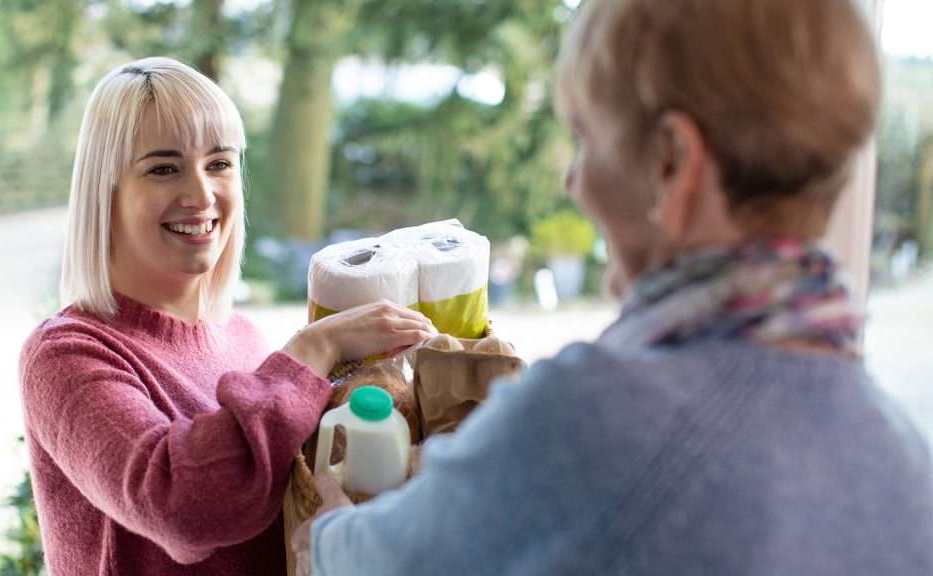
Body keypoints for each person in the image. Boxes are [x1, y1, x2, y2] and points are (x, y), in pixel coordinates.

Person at [296, 0, 933, 574]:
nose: (576, 183)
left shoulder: (591, 415)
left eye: (587, 141)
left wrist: (329, 527)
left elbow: (377, 561)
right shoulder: (906, 459)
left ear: (671, 163)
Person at [18, 57, 436, 576]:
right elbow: (184, 508)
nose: (200, 195)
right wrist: (314, 349)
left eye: (219, 164)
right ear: (107, 191)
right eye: (163, 168)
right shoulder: (66, 355)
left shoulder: (241, 339)